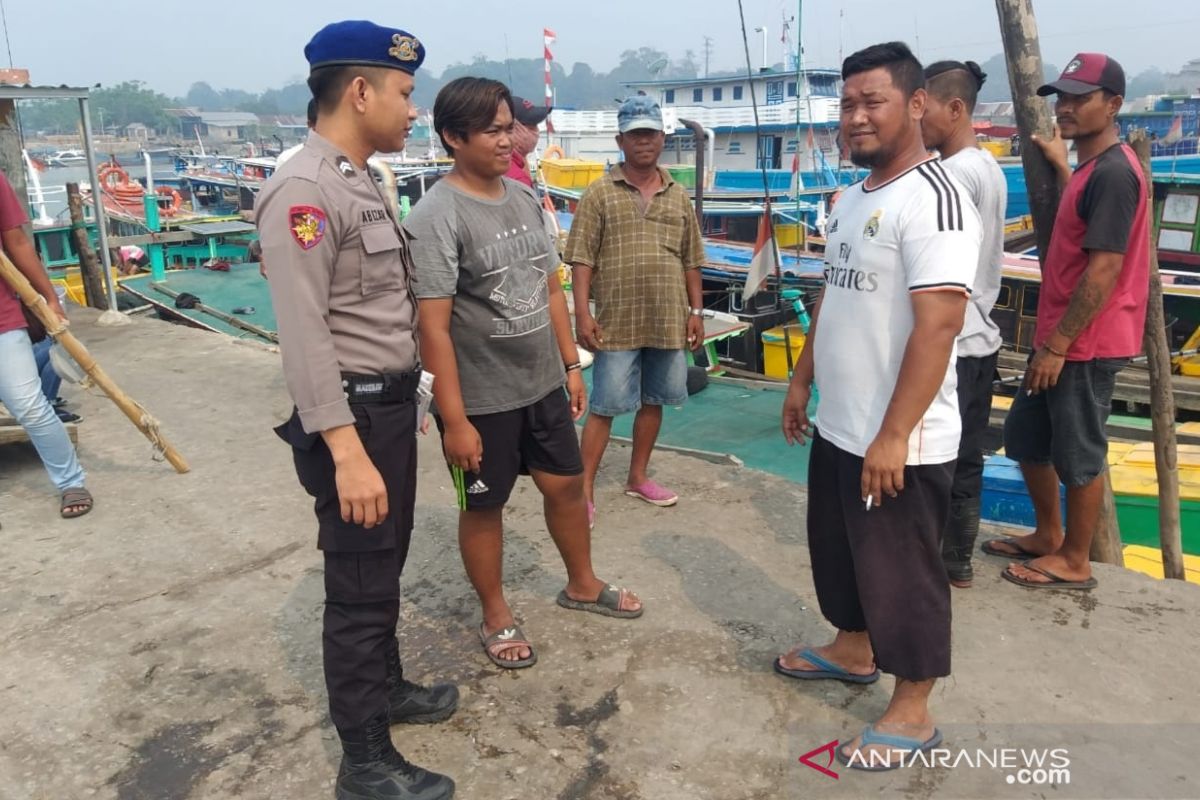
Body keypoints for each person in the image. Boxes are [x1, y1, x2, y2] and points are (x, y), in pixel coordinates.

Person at [255, 21, 456, 800]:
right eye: (405, 93)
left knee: (386, 565)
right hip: (355, 420)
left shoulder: (357, 176)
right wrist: (344, 449)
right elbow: (305, 338)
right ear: (361, 90)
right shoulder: (304, 190)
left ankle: (388, 689)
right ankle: (364, 759)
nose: (414, 109)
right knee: (360, 584)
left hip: (387, 410)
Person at [775, 42, 979, 770]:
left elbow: (939, 324)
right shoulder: (853, 197)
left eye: (873, 103)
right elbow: (835, 291)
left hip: (902, 436)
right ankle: (854, 650)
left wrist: (894, 435)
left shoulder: (935, 199)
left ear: (916, 104)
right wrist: (803, 377)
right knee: (839, 555)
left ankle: (914, 709)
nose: (855, 118)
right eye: (847, 104)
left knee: (905, 573)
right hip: (842, 421)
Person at [405, 77, 642, 670]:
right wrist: (454, 419)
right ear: (453, 138)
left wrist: (570, 365)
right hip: (481, 397)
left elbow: (550, 289)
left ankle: (582, 583)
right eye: (492, 130)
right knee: (483, 507)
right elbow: (431, 327)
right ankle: (495, 612)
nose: (508, 139)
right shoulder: (435, 216)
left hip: (541, 383)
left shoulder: (523, 199)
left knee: (565, 484)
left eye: (509, 126)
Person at [986, 53, 1148, 591]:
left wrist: (1056, 345)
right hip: (1064, 338)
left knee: (1079, 449)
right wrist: (1061, 165)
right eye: (1064, 97)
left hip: (1085, 342)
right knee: (1025, 434)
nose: (1068, 107)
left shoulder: (1117, 174)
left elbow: (1103, 271)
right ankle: (1048, 536)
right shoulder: (1092, 169)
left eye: (1082, 97)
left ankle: (1076, 560)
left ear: (1114, 104)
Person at [565, 96, 705, 526]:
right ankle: (583, 490)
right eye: (635, 134)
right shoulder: (599, 193)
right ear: (620, 139)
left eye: (651, 133)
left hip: (667, 319)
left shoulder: (678, 195)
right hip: (616, 320)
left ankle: (638, 477)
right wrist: (582, 314)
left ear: (663, 138)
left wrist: (696, 310)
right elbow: (582, 258)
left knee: (655, 400)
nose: (644, 141)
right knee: (605, 406)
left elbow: (691, 259)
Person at [921, 60, 1007, 588]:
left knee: (934, 458)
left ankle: (928, 558)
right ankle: (958, 562)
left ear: (955, 109)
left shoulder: (951, 175)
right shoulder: (990, 168)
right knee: (968, 455)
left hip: (951, 339)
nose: (916, 120)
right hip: (981, 335)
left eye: (922, 108)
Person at [0, 170, 93, 518]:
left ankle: (70, 482)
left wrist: (48, 298)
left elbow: (17, 242)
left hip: (2, 318)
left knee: (30, 406)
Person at [503, 95, 551, 188]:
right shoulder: (519, 180)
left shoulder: (517, 162)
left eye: (537, 126)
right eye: (531, 126)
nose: (537, 131)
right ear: (513, 128)